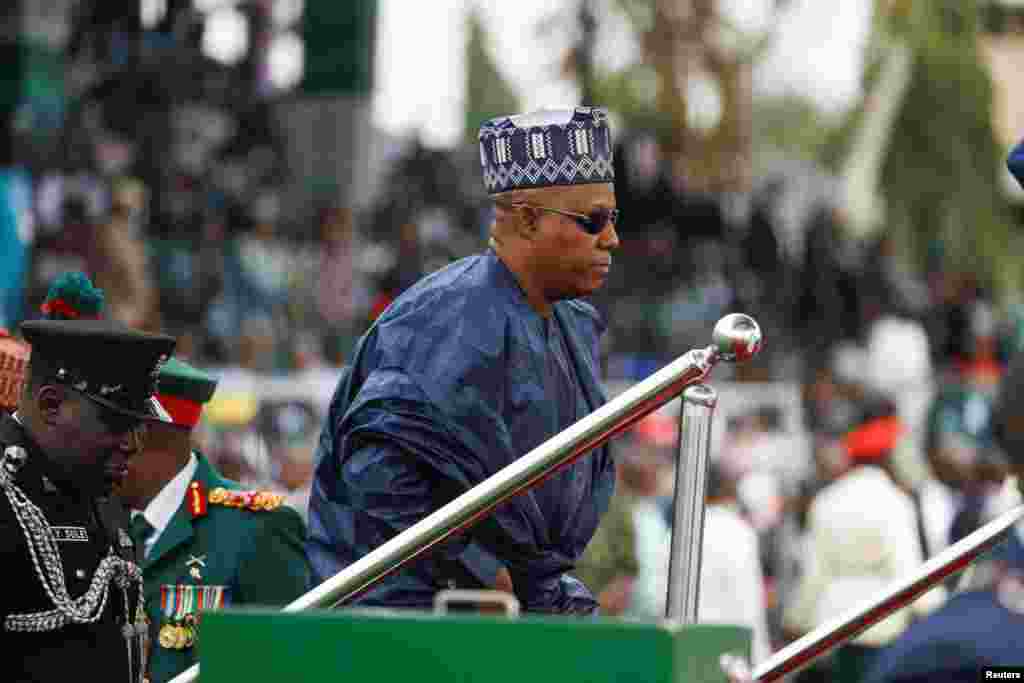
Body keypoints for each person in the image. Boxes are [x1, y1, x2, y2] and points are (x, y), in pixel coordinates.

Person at [307, 106, 620, 614]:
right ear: (527, 219)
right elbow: (381, 477)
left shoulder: (572, 327)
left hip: (504, 617)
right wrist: (481, 574)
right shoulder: (451, 316)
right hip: (404, 625)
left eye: (613, 218)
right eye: (594, 220)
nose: (612, 239)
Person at [1, 317, 175, 682]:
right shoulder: (9, 489)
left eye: (138, 425)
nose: (133, 444)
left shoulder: (98, 490)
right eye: (115, 423)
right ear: (51, 405)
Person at [117, 356, 311, 683]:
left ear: (141, 436)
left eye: (111, 427)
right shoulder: (98, 517)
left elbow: (289, 664)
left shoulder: (258, 527)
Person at [783, 394, 945, 683]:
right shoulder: (895, 501)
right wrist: (941, 611)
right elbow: (907, 574)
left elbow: (815, 575)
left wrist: (794, 621)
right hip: (882, 633)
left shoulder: (826, 501)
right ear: (886, 455)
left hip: (834, 634)